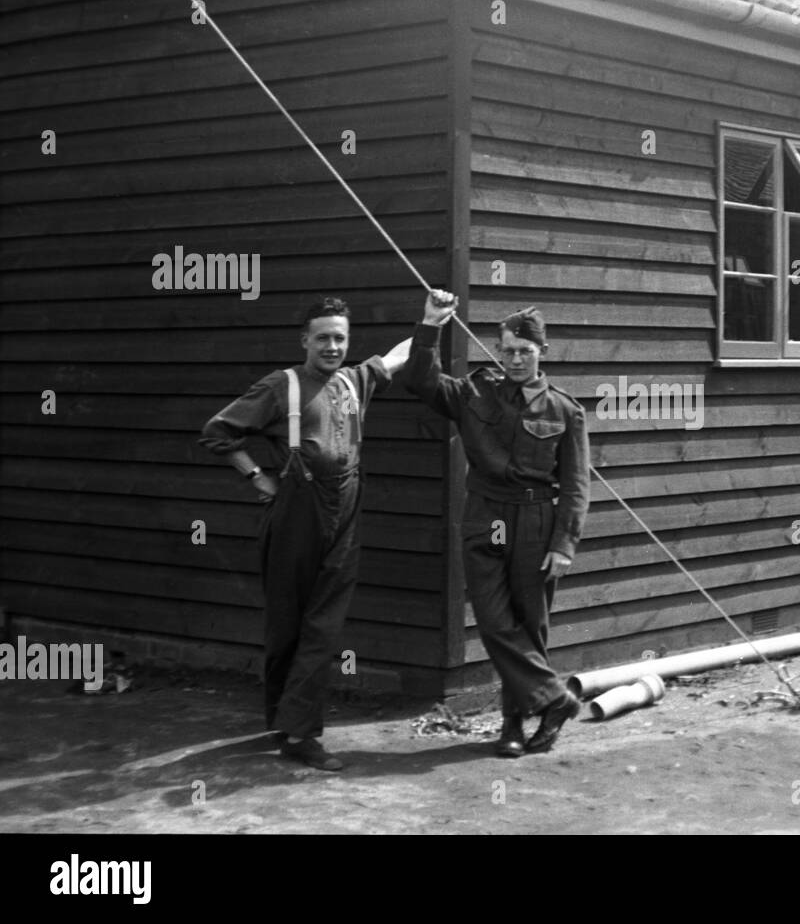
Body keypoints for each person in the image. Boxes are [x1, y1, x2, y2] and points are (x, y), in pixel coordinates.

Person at [199, 297, 411, 770]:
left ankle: (298, 732)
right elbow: (218, 432)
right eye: (323, 337)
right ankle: (286, 721)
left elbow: (400, 355)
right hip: (296, 513)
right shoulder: (282, 386)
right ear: (305, 341)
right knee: (287, 625)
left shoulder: (356, 381)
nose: (332, 346)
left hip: (346, 512)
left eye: (340, 338)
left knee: (323, 625)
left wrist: (434, 318)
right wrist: (257, 478)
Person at [406, 290, 589, 756]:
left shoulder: (565, 410)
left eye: (524, 352)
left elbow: (575, 485)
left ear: (541, 353)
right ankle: (556, 699)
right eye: (506, 350)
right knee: (492, 619)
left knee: (530, 627)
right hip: (485, 515)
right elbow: (421, 381)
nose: (514, 359)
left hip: (537, 521)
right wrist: (430, 325)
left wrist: (564, 544)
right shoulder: (473, 392)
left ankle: (515, 727)